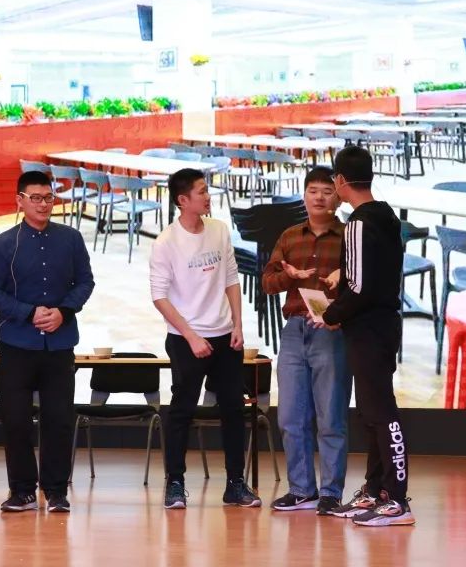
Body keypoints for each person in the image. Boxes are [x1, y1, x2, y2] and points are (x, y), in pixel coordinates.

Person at [0, 170, 94, 514]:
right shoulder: (2, 244)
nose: (44, 204)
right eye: (36, 198)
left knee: (59, 419)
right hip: (17, 344)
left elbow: (85, 282)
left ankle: (56, 491)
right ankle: (22, 491)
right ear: (20, 200)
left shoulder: (71, 239)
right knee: (15, 420)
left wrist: (64, 311)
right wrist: (27, 313)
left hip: (59, 345)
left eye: (48, 197)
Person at [149, 168, 260, 510]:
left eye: (207, 190)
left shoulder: (219, 230)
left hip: (225, 336)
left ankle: (235, 484)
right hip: (186, 339)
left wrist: (237, 324)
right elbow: (159, 297)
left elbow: (231, 279)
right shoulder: (166, 242)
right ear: (183, 200)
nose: (208, 196)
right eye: (201, 192)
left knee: (233, 409)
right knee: (181, 410)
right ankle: (175, 484)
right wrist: (191, 335)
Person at [319, 145, 415, 527]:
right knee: (372, 413)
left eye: (333, 181)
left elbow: (359, 288)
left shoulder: (358, 223)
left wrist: (331, 314)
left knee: (381, 413)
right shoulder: (386, 216)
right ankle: (376, 491)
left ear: (341, 180)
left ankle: (397, 500)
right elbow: (370, 275)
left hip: (370, 330)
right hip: (383, 326)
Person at [261, 167, 350, 516]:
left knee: (331, 416)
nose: (319, 198)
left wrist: (343, 278)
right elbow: (268, 282)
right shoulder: (289, 236)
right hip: (295, 329)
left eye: (327, 191)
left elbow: (365, 282)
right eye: (313, 191)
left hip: (332, 330)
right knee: (290, 416)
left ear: (338, 197)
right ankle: (301, 490)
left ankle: (330, 493)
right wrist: (290, 277)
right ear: (304, 195)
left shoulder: (349, 237)